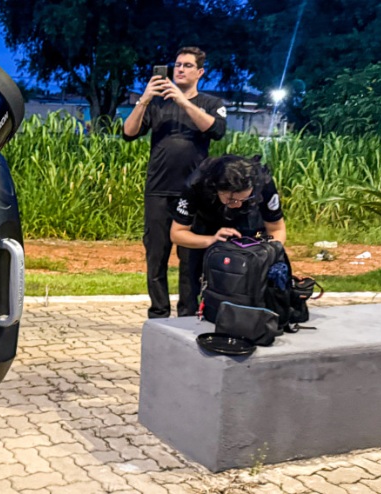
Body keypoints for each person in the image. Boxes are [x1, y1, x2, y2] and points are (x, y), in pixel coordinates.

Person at [123, 46, 228, 318]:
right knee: (155, 256)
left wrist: (183, 102)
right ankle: (158, 312)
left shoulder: (211, 103)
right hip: (158, 190)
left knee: (189, 259)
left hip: (193, 194)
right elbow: (129, 132)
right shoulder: (156, 103)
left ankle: (187, 314)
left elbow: (215, 130)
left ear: (200, 72)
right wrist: (144, 99)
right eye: (177, 64)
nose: (180, 69)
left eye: (187, 65)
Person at [170, 154, 287, 310]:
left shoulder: (263, 182)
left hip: (247, 229)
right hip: (204, 230)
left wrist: (267, 255)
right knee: (190, 292)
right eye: (231, 200)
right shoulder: (196, 183)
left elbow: (277, 228)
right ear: (217, 188)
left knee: (252, 286)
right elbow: (177, 233)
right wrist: (211, 240)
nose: (237, 204)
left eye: (243, 199)